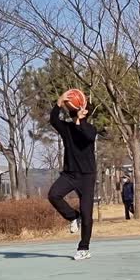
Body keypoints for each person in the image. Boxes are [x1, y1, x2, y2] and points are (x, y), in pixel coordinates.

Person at [47, 90, 97, 261]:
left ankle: (84, 248)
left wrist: (81, 120)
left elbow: (87, 136)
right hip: (70, 174)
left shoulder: (89, 128)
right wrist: (59, 102)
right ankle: (72, 216)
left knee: (87, 212)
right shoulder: (66, 128)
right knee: (53, 195)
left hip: (87, 176)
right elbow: (53, 120)